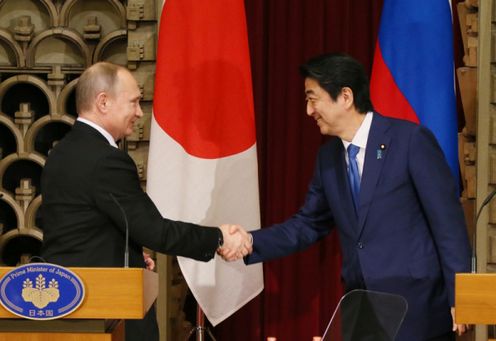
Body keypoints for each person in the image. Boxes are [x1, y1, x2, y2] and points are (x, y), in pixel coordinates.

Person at [223, 53, 472, 340]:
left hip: (418, 308)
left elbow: (447, 222)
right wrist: (252, 241)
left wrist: (461, 297)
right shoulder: (328, 158)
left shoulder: (409, 141)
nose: (308, 110)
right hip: (363, 311)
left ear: (345, 96)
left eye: (312, 98)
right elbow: (308, 224)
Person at [40, 62, 251, 341]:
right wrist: (219, 238)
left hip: (64, 306)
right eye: (134, 102)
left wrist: (130, 254)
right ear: (103, 102)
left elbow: (79, 230)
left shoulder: (60, 153)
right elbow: (155, 231)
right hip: (106, 311)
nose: (139, 113)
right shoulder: (106, 160)